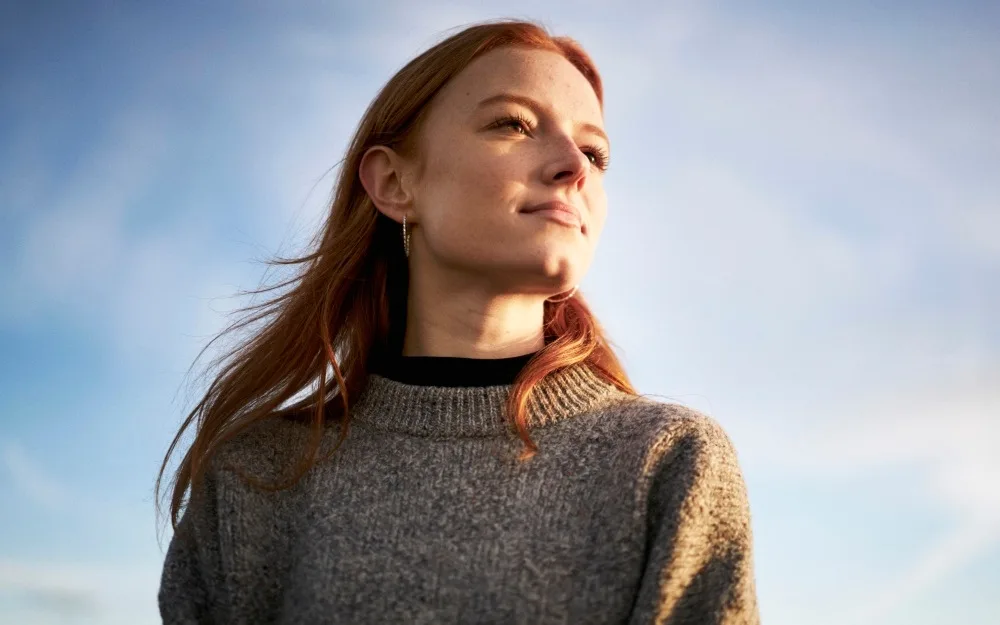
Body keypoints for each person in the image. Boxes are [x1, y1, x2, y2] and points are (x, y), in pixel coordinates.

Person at [156, 18, 760, 625]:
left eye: (595, 151)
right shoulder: (253, 477)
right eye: (514, 123)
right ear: (394, 183)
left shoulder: (668, 461)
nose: (575, 166)